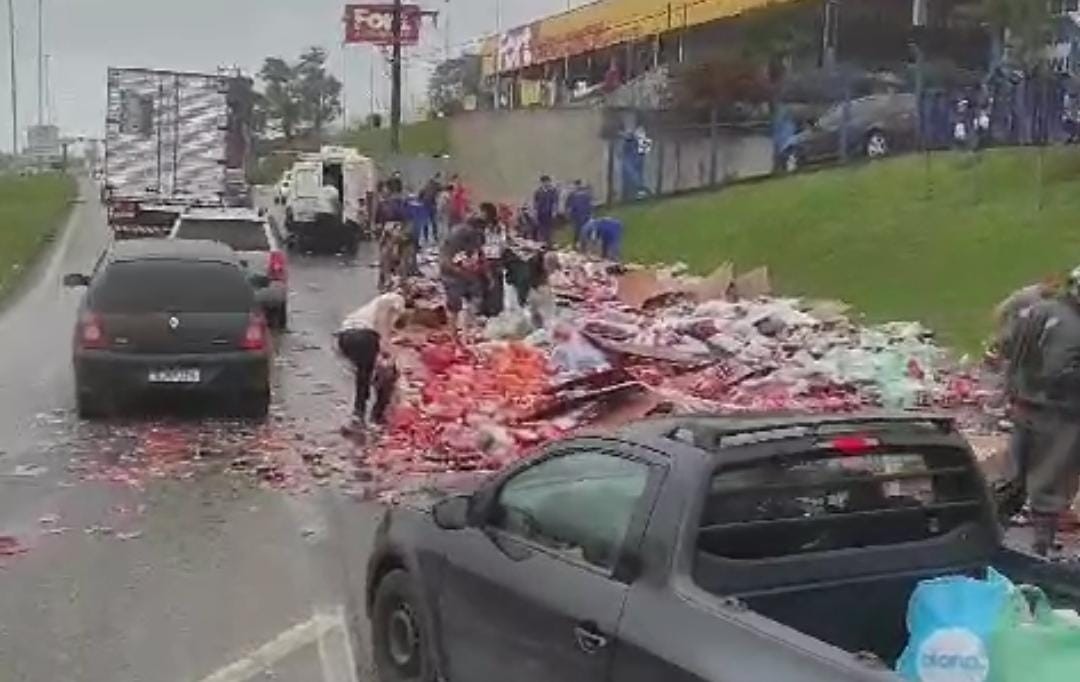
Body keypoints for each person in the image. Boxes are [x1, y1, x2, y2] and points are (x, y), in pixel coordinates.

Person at [1000, 266, 1080, 555]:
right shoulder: (1074, 327)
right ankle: (1040, 551)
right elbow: (1059, 372)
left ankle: (990, 534)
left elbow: (1006, 346)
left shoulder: (1037, 310)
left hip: (1024, 402)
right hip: (1061, 413)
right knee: (1050, 480)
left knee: (1013, 476)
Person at [336, 292, 406, 431]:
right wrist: (386, 350)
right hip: (363, 336)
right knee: (387, 372)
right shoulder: (394, 299)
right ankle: (376, 417)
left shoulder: (369, 308)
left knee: (364, 374)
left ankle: (359, 414)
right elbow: (381, 322)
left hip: (345, 338)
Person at [440, 216, 486, 339]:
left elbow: (479, 253)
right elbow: (445, 259)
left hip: (463, 274)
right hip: (453, 275)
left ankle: (464, 332)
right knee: (455, 305)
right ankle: (455, 334)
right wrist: (459, 270)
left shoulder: (471, 235)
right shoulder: (458, 236)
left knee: (471, 301)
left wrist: (478, 267)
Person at [565, 180, 593, 248]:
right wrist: (569, 214)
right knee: (577, 231)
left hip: (584, 216)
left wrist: (590, 214)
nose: (577, 187)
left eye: (578, 185)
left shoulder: (585, 195)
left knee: (583, 231)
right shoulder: (572, 195)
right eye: (576, 185)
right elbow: (568, 206)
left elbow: (589, 205)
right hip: (576, 216)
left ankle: (583, 245)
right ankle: (576, 244)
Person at [533, 175, 560, 245]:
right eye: (544, 182)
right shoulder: (538, 192)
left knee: (550, 228)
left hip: (549, 212)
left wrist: (554, 211)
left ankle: (549, 242)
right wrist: (535, 212)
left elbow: (555, 202)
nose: (546, 183)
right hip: (541, 212)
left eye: (547, 182)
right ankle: (542, 242)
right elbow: (536, 203)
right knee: (542, 228)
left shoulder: (553, 191)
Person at [419, 173, 442, 243]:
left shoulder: (427, 185)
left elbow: (420, 194)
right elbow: (443, 188)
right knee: (433, 222)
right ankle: (434, 238)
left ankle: (427, 238)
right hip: (430, 206)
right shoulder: (436, 185)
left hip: (427, 205)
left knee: (428, 223)